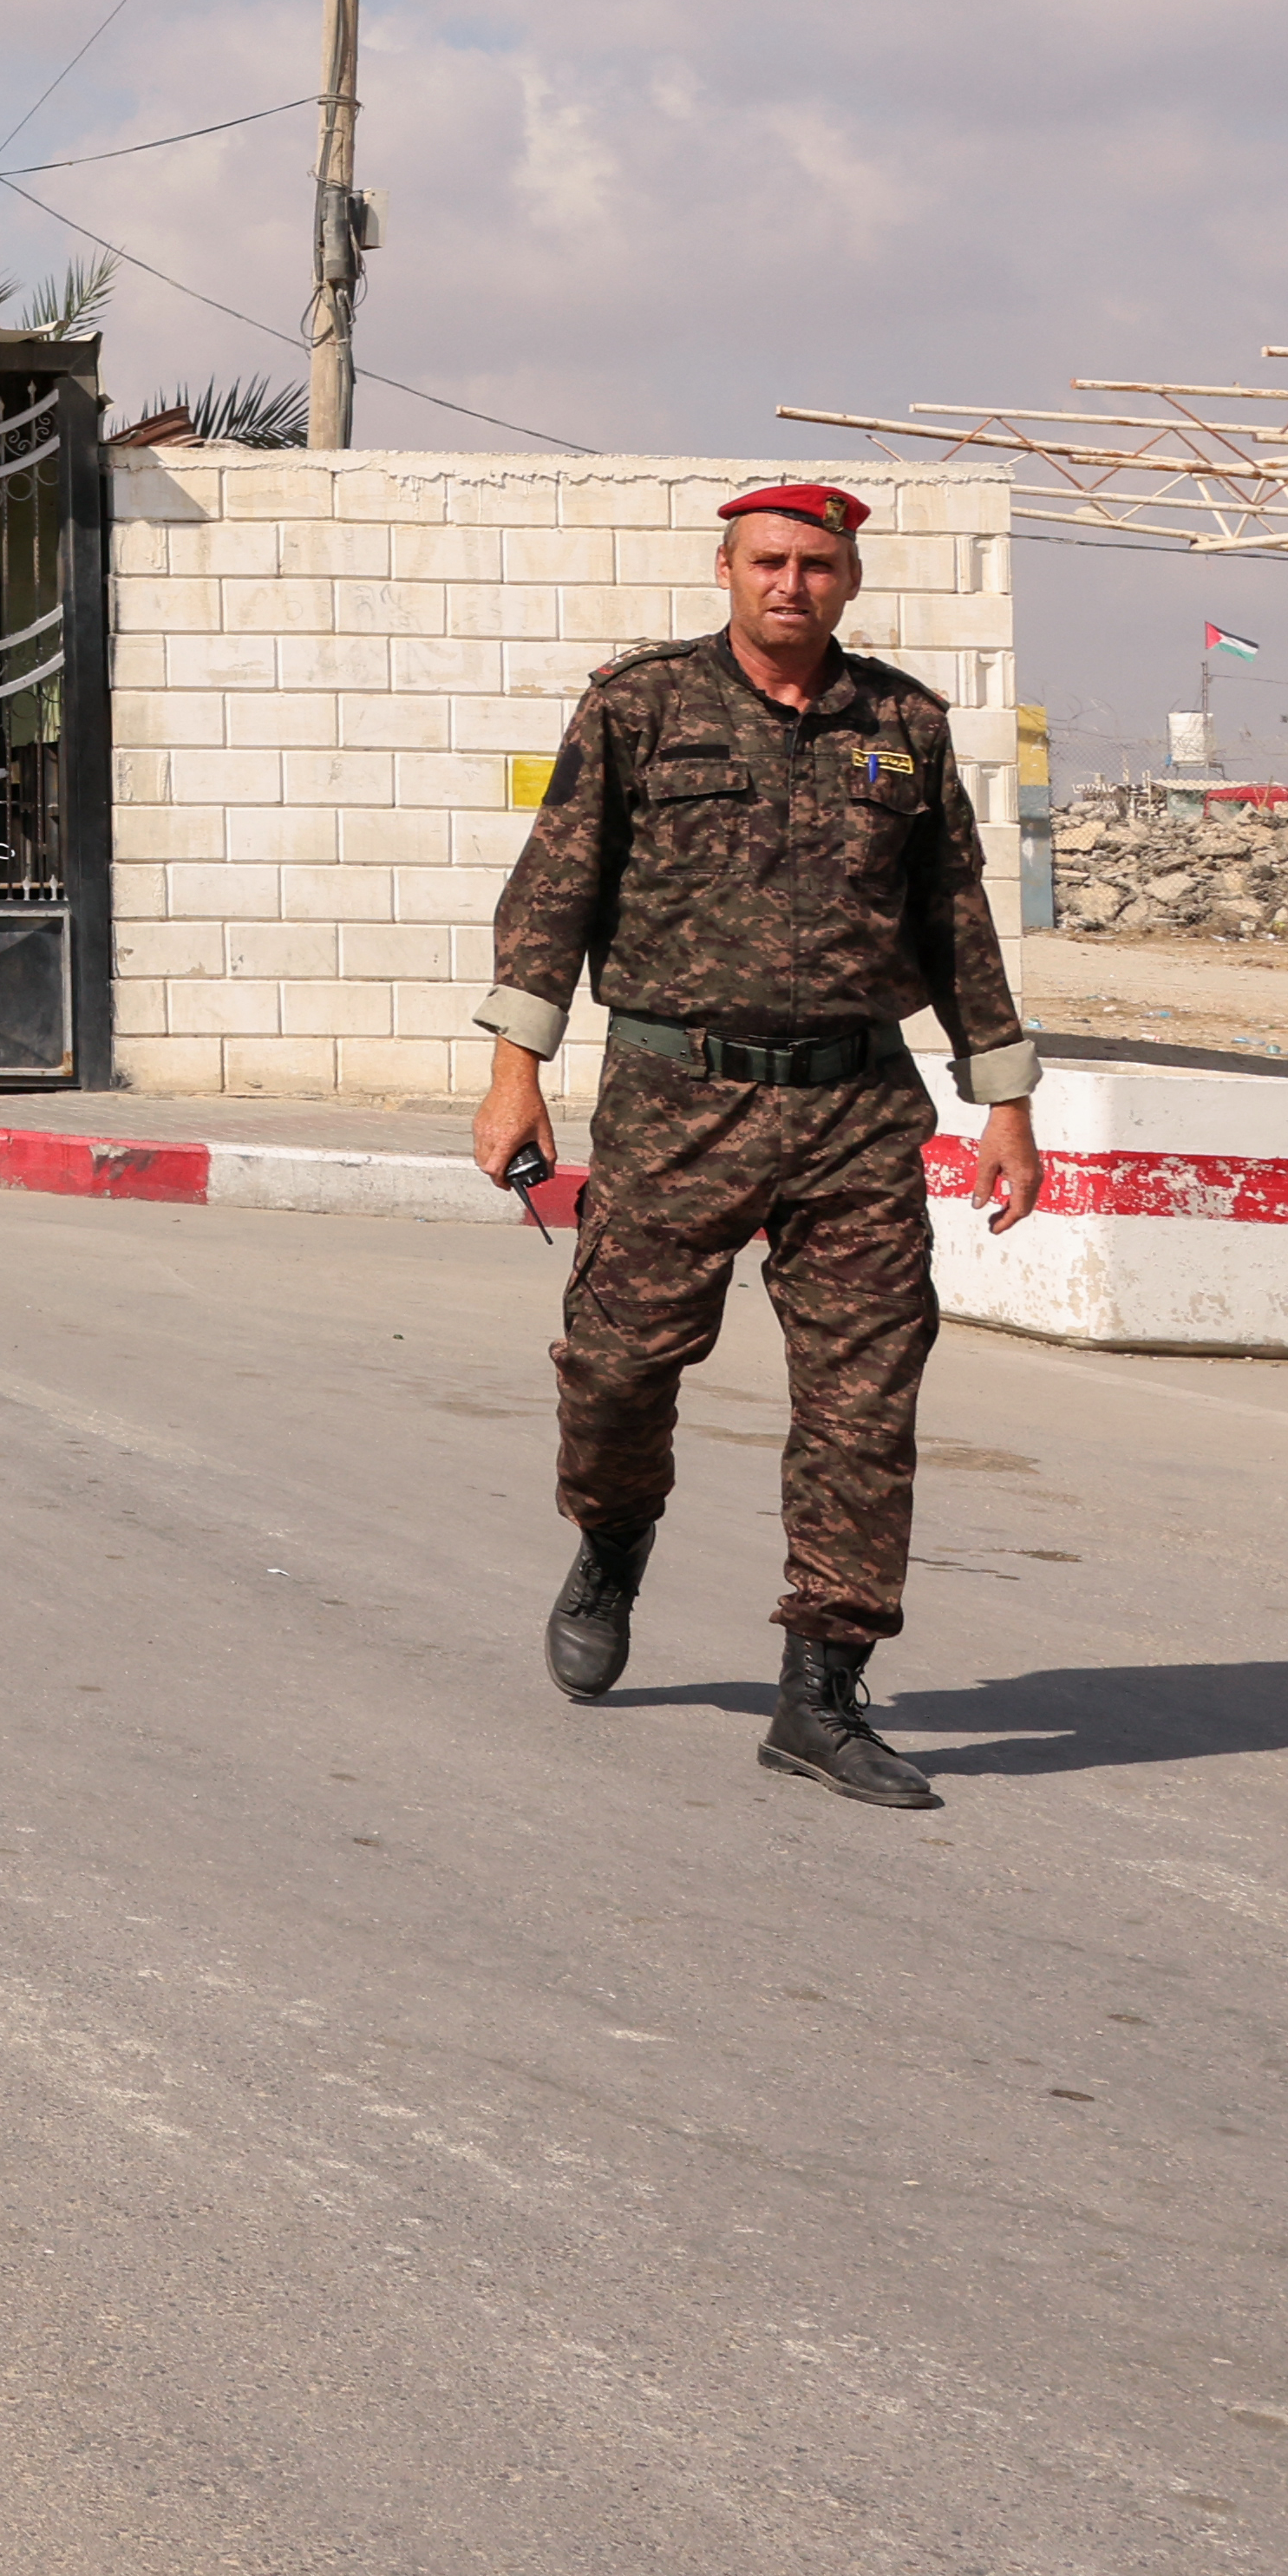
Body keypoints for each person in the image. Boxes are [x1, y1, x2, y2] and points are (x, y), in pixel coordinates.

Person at [470, 481, 1043, 1807]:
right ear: (727, 569)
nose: (794, 585)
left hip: (856, 1108)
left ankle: (823, 1691)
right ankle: (613, 1542)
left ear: (851, 580)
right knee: (616, 1368)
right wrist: (516, 1075)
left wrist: (1004, 1099)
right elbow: (553, 892)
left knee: (864, 1399)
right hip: (678, 1096)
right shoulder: (640, 708)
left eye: (819, 566)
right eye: (770, 561)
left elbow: (955, 917)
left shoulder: (904, 726)